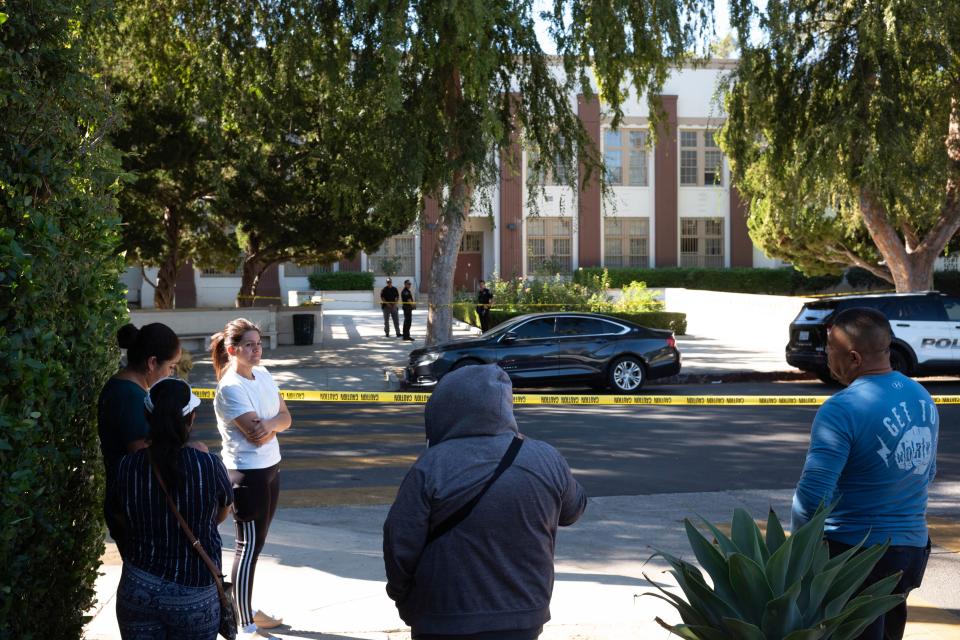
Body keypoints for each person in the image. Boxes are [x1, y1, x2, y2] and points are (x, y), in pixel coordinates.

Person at [383, 364, 587, 640]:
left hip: (442, 615)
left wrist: (401, 594)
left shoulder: (432, 465)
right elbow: (573, 511)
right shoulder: (546, 458)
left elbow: (399, 542)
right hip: (523, 614)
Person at [792, 307, 938, 640]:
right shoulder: (921, 396)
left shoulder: (842, 408)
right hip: (910, 551)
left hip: (854, 557)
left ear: (854, 357)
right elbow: (926, 472)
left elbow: (813, 497)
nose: (826, 355)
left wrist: (797, 560)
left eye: (830, 348)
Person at [112, 378, 233, 640]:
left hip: (139, 588)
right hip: (195, 594)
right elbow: (223, 511)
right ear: (191, 419)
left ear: (147, 417)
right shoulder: (209, 465)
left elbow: (119, 516)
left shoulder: (126, 467)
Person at [212, 318, 292, 639]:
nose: (256, 349)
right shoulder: (230, 388)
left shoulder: (265, 375)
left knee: (257, 545)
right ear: (232, 350)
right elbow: (257, 436)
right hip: (246, 474)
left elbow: (286, 419)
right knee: (247, 548)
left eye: (258, 343)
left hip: (271, 468)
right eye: (249, 344)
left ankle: (246, 608)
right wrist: (272, 425)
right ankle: (243, 622)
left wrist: (269, 424)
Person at [98, 322, 182, 556]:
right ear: (152, 362)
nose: (171, 374)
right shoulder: (129, 397)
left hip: (128, 504)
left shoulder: (126, 388)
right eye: (171, 367)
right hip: (135, 508)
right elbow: (144, 456)